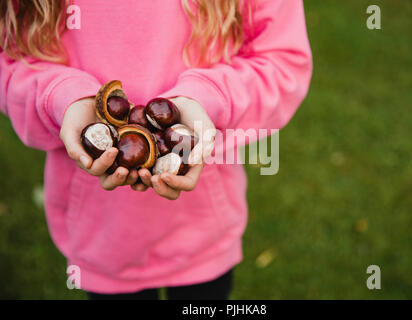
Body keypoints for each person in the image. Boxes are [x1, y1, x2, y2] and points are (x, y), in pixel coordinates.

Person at [0, 0, 312, 299]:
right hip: (102, 235)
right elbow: (8, 62)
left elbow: (282, 61)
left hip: (203, 233)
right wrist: (59, 97)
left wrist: (210, 98)